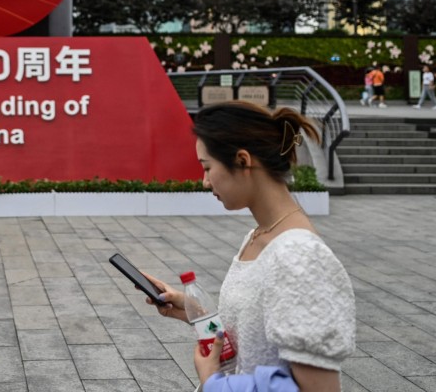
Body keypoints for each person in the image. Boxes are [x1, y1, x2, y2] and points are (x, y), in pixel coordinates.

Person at [143, 101, 355, 392]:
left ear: (242, 160)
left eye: (207, 167)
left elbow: (319, 389)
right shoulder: (259, 235)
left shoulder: (299, 257)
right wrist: (194, 309)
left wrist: (212, 382)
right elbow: (256, 338)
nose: (205, 182)